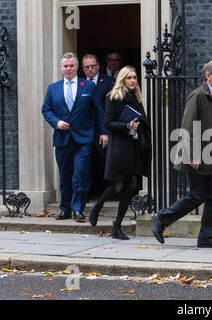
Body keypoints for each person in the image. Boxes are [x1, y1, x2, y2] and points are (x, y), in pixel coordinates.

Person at [151, 61, 212, 248]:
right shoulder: (197, 96)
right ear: (208, 76)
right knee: (197, 196)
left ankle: (207, 237)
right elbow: (187, 126)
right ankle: (161, 217)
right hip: (199, 155)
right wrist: (192, 154)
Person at [42, 52, 108, 222]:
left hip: (84, 138)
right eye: (65, 66)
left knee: (80, 174)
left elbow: (99, 112)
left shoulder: (87, 86)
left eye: (72, 66)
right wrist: (56, 123)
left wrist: (103, 132)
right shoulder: (53, 88)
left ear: (77, 67)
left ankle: (78, 209)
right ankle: (65, 209)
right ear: (61, 68)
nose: (69, 69)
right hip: (62, 139)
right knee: (65, 176)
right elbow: (46, 109)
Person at [88, 66, 152, 240]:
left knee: (131, 186)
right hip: (119, 148)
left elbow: (143, 120)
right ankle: (97, 206)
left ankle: (117, 225)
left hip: (134, 147)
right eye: (129, 78)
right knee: (117, 186)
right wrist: (127, 126)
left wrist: (140, 126)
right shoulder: (113, 97)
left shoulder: (137, 98)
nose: (133, 81)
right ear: (122, 79)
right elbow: (108, 123)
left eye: (135, 77)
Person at [82, 53, 115, 197]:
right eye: (87, 67)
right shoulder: (80, 83)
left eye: (93, 66)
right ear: (82, 68)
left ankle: (108, 193)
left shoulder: (108, 82)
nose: (90, 69)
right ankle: (88, 193)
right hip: (85, 130)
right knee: (87, 163)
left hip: (103, 129)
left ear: (98, 66)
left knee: (105, 162)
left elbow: (111, 107)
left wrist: (105, 131)